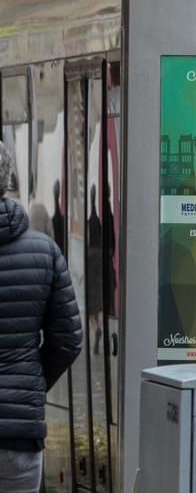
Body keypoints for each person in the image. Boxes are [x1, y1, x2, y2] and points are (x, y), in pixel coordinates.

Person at [0, 143, 82, 492]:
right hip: (20, 438)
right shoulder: (45, 251)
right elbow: (68, 340)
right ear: (7, 178)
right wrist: (30, 384)